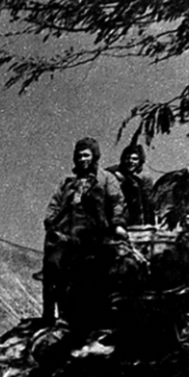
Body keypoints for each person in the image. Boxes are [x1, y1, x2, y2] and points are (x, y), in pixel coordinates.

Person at [42, 137, 127, 325]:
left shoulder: (106, 179)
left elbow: (117, 202)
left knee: (90, 272)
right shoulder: (67, 182)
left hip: (93, 232)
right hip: (65, 232)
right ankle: (50, 316)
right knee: (53, 267)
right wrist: (51, 222)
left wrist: (117, 224)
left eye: (86, 155)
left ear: (94, 156)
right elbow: (54, 204)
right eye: (79, 156)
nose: (82, 159)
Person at [106, 144, 155, 226]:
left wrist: (150, 223)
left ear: (140, 160)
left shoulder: (144, 177)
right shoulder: (112, 172)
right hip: (116, 215)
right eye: (127, 158)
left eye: (135, 159)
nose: (130, 161)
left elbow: (148, 202)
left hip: (135, 217)